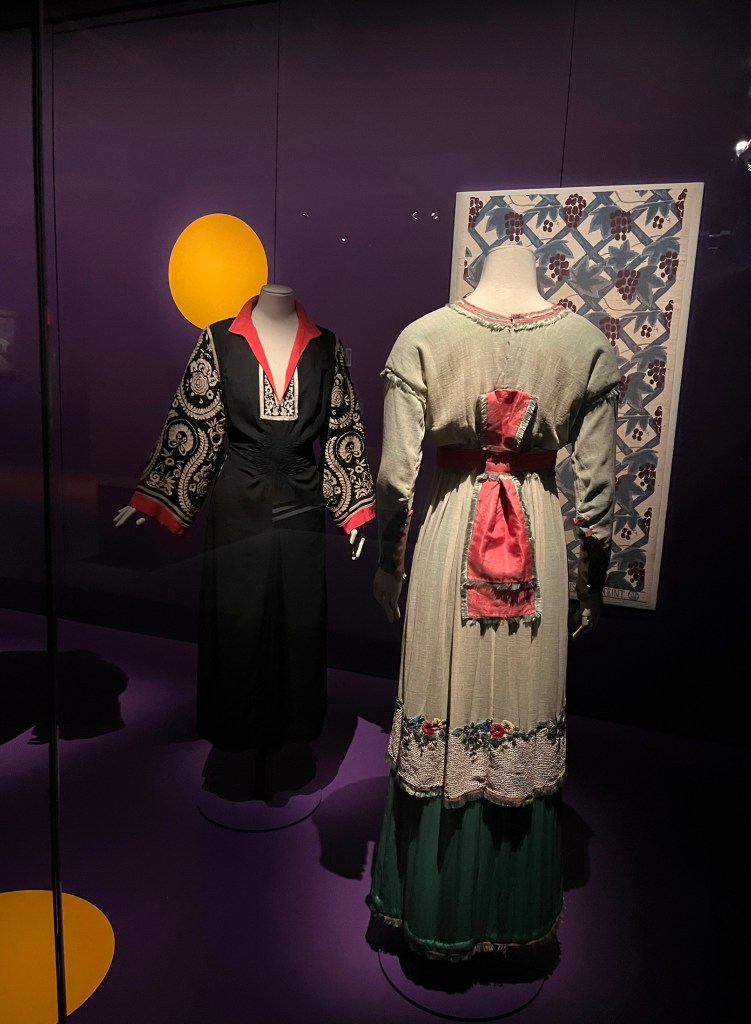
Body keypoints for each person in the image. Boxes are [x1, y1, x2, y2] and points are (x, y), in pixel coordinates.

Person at [368, 244, 619, 960]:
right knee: (520, 704)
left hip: (451, 527)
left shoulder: (425, 338)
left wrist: (388, 564)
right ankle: (510, 910)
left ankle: (432, 898)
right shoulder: (585, 346)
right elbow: (598, 492)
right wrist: (592, 579)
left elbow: (395, 479)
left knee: (446, 701)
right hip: (536, 531)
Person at [115, 284, 375, 790]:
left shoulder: (326, 346)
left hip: (301, 499)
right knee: (237, 615)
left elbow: (343, 429)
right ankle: (237, 736)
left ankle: (290, 735)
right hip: (238, 500)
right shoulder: (218, 340)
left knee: (298, 617)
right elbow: (196, 422)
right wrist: (156, 494)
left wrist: (353, 506)